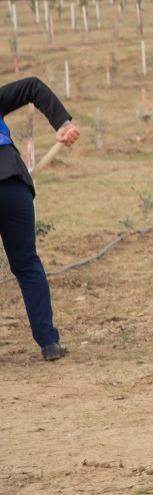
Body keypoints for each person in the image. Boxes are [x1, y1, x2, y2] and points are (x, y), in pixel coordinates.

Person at [0, 77, 79, 362]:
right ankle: (49, 343)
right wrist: (63, 124)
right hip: (12, 182)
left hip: (11, 179)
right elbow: (33, 86)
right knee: (27, 264)